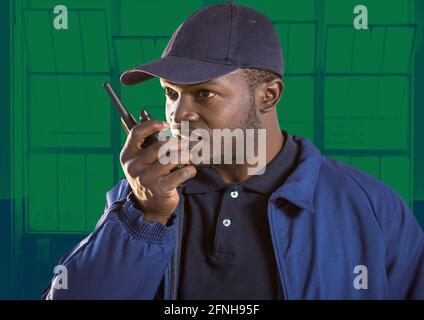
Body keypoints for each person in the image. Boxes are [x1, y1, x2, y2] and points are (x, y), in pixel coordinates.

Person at [43, 3, 424, 299]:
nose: (178, 113)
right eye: (170, 94)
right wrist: (145, 219)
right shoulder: (142, 196)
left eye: (203, 93)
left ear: (268, 95)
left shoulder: (370, 207)